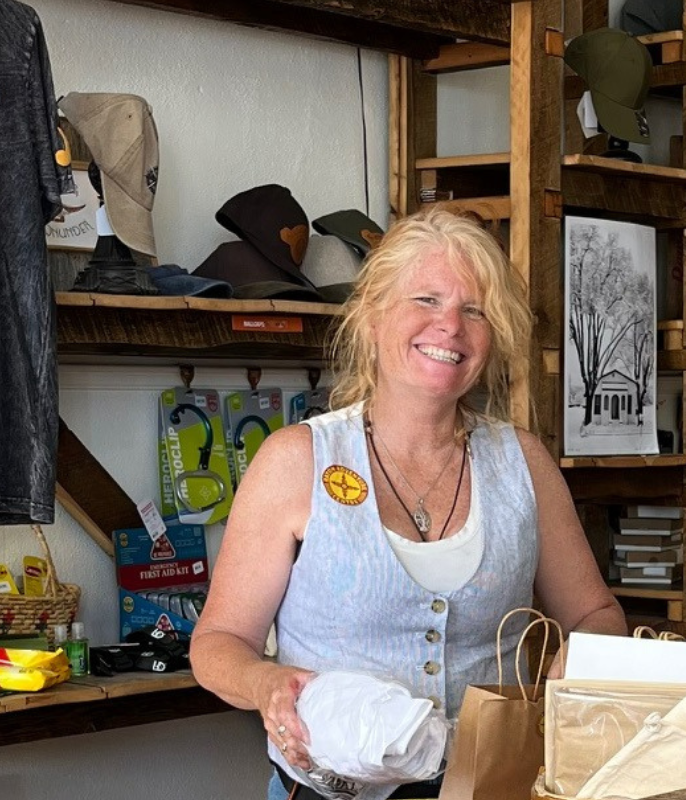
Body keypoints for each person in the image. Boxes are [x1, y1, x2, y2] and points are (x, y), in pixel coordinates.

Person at [191, 207, 628, 800]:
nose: (449, 326)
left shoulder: (524, 464)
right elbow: (218, 642)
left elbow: (595, 615)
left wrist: (582, 654)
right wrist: (264, 682)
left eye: (473, 309)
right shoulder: (296, 462)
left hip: (497, 786)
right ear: (373, 316)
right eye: (425, 299)